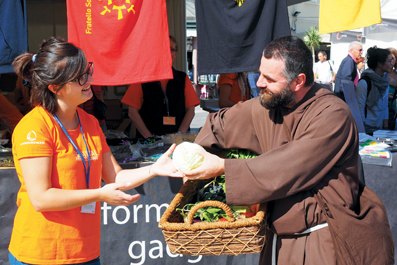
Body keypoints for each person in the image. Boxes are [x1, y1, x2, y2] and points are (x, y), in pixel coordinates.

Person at [182, 36, 392, 264]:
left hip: (322, 242)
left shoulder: (333, 114)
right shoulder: (267, 104)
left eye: (269, 78)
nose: (259, 83)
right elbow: (218, 124)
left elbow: (289, 165)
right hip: (274, 243)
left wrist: (222, 167)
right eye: (260, 73)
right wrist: (192, 153)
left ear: (298, 81)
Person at [8, 37, 183, 265]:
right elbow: (41, 198)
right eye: (80, 76)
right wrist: (99, 194)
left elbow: (116, 177)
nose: (89, 79)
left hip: (85, 251)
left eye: (88, 70)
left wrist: (154, 170)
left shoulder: (89, 122)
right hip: (41, 252)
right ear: (55, 87)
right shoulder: (34, 127)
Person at [121, 36, 200, 140]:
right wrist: (149, 138)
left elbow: (190, 110)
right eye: (163, 49)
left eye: (171, 49)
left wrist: (179, 135)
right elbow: (132, 112)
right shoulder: (142, 78)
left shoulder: (183, 78)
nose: (167, 53)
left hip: (178, 141)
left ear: (175, 54)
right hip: (149, 142)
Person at [355, 46, 393, 134]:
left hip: (379, 130)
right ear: (380, 63)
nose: (392, 63)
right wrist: (364, 130)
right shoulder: (364, 82)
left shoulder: (385, 80)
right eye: (389, 61)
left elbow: (385, 106)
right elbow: (359, 109)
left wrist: (385, 128)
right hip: (367, 129)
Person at [387, 47, 397, 130]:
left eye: (393, 58)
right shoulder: (380, 74)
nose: (391, 61)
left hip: (395, 110)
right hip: (381, 111)